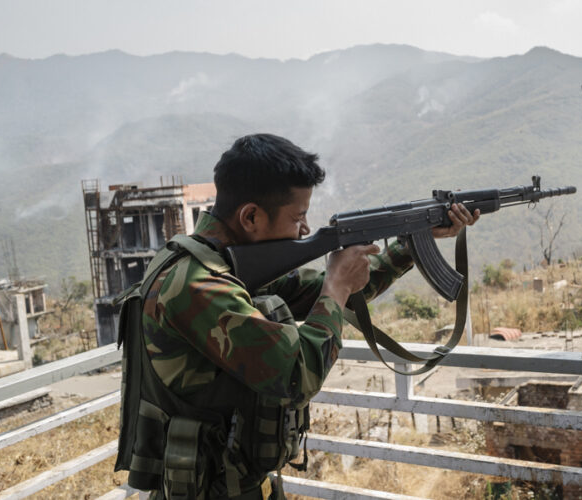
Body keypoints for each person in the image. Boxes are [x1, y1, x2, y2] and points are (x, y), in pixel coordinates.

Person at [114, 133, 480, 499]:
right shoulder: (196, 285)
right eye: (298, 217)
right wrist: (336, 285)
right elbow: (296, 374)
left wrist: (413, 242)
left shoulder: (226, 264)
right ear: (251, 216)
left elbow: (343, 291)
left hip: (230, 481)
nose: (304, 230)